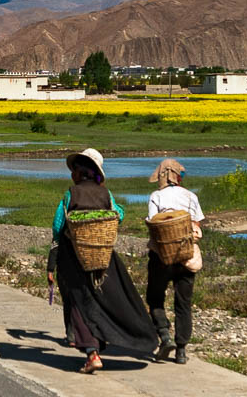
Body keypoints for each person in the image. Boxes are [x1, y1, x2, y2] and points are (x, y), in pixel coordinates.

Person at [47, 148, 158, 374]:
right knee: (103, 298)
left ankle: (92, 352)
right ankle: (111, 339)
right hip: (102, 256)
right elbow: (119, 214)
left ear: (80, 173)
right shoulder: (106, 194)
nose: (72, 175)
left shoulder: (70, 195)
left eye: (75, 170)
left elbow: (58, 228)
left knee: (79, 302)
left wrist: (51, 264)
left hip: (73, 259)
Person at [146, 158, 202, 364]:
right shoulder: (190, 196)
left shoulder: (156, 196)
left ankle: (164, 335)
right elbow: (196, 223)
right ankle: (181, 350)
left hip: (161, 256)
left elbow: (152, 222)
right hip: (186, 256)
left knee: (154, 297)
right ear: (178, 176)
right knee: (183, 303)